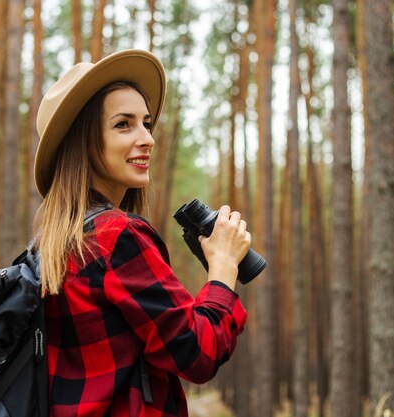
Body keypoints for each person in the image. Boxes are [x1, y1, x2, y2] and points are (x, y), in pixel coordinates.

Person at [32, 49, 251, 417]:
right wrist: (224, 266)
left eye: (146, 124)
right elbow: (198, 352)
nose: (147, 138)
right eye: (123, 124)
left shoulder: (52, 246)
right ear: (83, 143)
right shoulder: (117, 236)